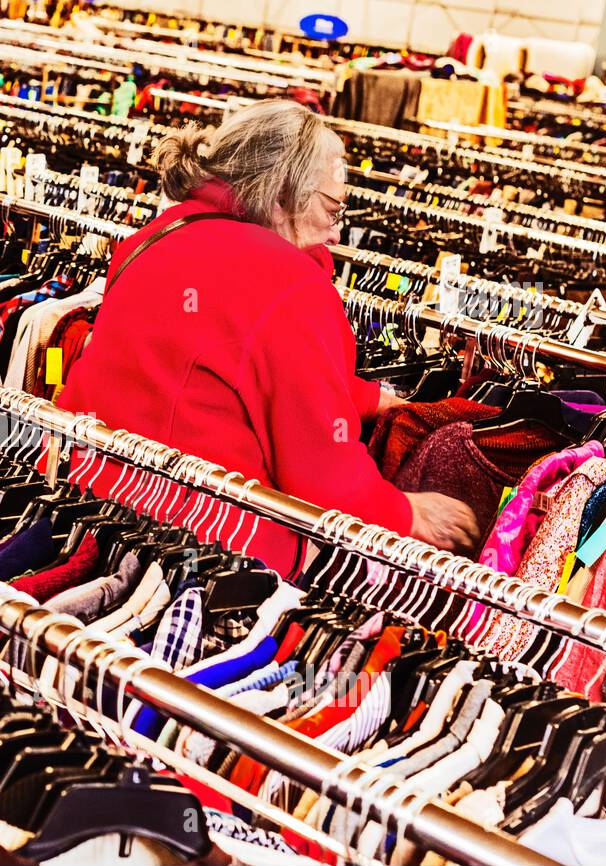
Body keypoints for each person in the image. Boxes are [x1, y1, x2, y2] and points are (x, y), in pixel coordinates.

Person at [56, 100, 479, 576]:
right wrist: (411, 515)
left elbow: (216, 369)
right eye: (333, 207)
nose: (337, 235)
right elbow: (320, 474)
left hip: (79, 500)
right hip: (201, 548)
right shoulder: (286, 280)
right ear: (283, 193)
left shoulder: (155, 237)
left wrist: (365, 399)